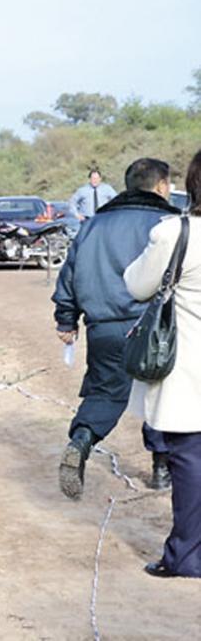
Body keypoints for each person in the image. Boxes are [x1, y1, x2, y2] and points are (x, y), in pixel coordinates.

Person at [53, 158, 179, 500]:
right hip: (155, 329)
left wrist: (66, 318)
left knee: (105, 393)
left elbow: (70, 274)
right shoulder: (168, 223)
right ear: (161, 186)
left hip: (104, 327)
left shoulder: (93, 225)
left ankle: (81, 440)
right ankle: (161, 468)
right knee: (160, 394)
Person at [125, 149, 201, 578]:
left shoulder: (175, 233)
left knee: (189, 461)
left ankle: (186, 557)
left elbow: (137, 285)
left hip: (190, 372)